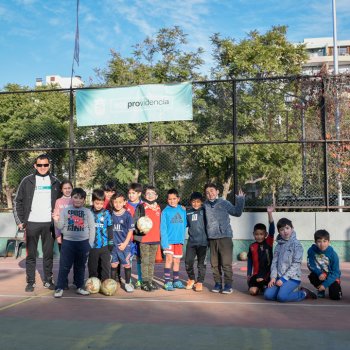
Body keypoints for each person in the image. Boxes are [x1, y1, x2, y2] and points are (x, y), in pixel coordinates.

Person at [13, 154, 61, 292]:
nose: (42, 168)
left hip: (49, 224)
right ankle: (31, 282)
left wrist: (58, 221)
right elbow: (17, 201)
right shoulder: (27, 181)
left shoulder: (55, 182)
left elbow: (61, 203)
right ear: (35, 165)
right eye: (39, 165)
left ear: (49, 165)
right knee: (31, 254)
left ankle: (48, 280)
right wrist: (20, 221)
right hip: (32, 223)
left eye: (45, 165)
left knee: (48, 255)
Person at [53, 188, 95, 298]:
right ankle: (59, 288)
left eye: (81, 198)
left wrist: (89, 244)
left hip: (83, 243)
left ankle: (80, 286)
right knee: (64, 266)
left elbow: (92, 228)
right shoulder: (65, 211)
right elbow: (60, 226)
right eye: (75, 197)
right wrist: (55, 220)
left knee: (80, 266)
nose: (78, 200)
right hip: (68, 243)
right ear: (71, 198)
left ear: (84, 200)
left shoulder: (87, 212)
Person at [203, 183, 245, 294]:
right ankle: (217, 283)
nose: (210, 194)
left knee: (226, 263)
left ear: (217, 191)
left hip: (225, 236)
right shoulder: (205, 205)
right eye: (207, 192)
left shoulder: (224, 203)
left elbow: (237, 212)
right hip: (212, 238)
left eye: (212, 191)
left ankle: (228, 285)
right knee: (214, 263)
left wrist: (240, 200)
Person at [264, 217, 317, 302]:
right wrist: (273, 277)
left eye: (287, 228)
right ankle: (285, 291)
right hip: (279, 278)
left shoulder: (297, 245)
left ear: (292, 229)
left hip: (292, 278)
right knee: (267, 295)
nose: (285, 231)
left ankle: (303, 293)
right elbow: (274, 262)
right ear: (279, 232)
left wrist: (284, 279)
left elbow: (296, 264)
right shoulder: (278, 245)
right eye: (282, 229)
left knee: (282, 297)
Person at [160, 188, 187, 291]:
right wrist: (164, 242)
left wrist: (182, 238)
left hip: (179, 241)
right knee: (169, 260)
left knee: (177, 261)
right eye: (170, 199)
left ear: (178, 199)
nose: (172, 201)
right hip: (169, 241)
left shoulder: (182, 210)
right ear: (167, 200)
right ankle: (167, 282)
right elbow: (163, 228)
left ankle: (176, 281)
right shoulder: (165, 211)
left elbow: (185, 224)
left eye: (174, 198)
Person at [137, 185, 161, 292]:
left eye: (152, 193)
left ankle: (150, 280)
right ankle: (144, 281)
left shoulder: (160, 207)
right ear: (144, 195)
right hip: (145, 239)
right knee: (145, 261)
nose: (150, 195)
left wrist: (182, 207)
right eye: (148, 193)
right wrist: (139, 230)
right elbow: (136, 221)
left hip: (155, 239)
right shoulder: (141, 206)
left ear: (156, 196)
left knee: (151, 261)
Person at [247, 206, 275, 296]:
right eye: (257, 234)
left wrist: (269, 213)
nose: (259, 236)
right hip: (256, 274)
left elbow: (272, 229)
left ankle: (265, 286)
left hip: (267, 274)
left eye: (261, 234)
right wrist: (248, 274)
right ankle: (260, 287)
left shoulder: (269, 242)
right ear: (253, 234)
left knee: (268, 293)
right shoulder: (252, 246)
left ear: (265, 234)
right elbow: (250, 261)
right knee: (252, 291)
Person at [110, 192, 135, 293]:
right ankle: (111, 284)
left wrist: (125, 243)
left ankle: (128, 283)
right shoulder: (110, 214)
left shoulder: (127, 215)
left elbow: (130, 230)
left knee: (126, 264)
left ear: (124, 202)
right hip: (114, 245)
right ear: (112, 202)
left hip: (125, 245)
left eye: (120, 202)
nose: (117, 204)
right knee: (114, 265)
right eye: (115, 202)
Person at [307, 229, 342, 300]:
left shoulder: (333, 255)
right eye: (319, 241)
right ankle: (321, 290)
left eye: (324, 241)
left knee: (335, 297)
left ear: (329, 242)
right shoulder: (311, 251)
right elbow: (311, 264)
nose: (322, 244)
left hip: (332, 275)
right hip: (321, 274)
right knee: (312, 276)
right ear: (315, 242)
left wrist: (325, 284)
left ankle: (337, 289)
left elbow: (336, 272)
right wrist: (319, 273)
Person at [88, 189, 113, 282]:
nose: (99, 205)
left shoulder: (106, 213)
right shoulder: (88, 212)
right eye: (97, 203)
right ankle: (93, 284)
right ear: (93, 201)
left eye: (101, 203)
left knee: (105, 267)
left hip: (104, 246)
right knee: (92, 267)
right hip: (92, 246)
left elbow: (110, 227)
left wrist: (111, 242)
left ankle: (105, 284)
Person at [185, 192, 208, 292]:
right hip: (191, 242)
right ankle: (191, 279)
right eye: (193, 202)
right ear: (190, 202)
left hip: (203, 243)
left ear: (201, 202)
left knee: (201, 264)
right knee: (188, 262)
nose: (195, 204)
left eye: (198, 202)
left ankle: (200, 282)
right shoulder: (188, 212)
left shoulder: (205, 211)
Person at [125, 182, 144, 288]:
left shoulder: (144, 205)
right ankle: (129, 280)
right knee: (129, 258)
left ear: (139, 193)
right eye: (130, 193)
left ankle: (140, 279)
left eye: (133, 193)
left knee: (140, 258)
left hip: (140, 237)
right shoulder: (125, 205)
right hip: (129, 237)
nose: (131, 195)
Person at [53, 180, 73, 251]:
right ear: (61, 190)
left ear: (72, 188)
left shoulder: (75, 200)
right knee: (63, 255)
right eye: (65, 188)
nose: (67, 190)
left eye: (69, 188)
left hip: (73, 233)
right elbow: (56, 218)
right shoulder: (58, 201)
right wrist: (57, 234)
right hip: (62, 233)